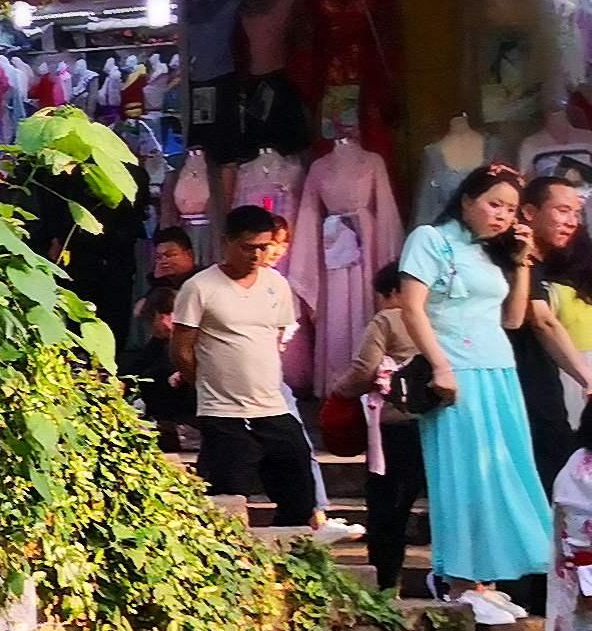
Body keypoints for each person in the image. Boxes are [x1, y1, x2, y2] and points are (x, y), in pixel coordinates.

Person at [386, 164, 592, 624]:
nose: (501, 215)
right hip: (457, 372)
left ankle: (488, 583)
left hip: (500, 371)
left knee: (504, 475)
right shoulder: (430, 239)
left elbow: (514, 320)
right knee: (463, 477)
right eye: (493, 204)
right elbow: (412, 308)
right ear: (466, 200)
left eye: (511, 209)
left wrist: (520, 262)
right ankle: (460, 581)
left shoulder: (490, 254)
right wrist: (439, 365)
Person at [169, 206, 315, 528]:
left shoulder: (276, 284)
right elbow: (181, 347)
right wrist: (206, 382)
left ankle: (293, 558)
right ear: (227, 242)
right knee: (225, 499)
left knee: (299, 488)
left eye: (264, 247)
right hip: (223, 412)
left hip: (272, 406)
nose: (257, 254)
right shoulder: (199, 287)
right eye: (248, 247)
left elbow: (277, 337)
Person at [337, 269, 430, 597]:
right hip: (435, 421)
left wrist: (339, 391)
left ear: (392, 292)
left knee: (387, 503)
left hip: (395, 421)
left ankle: (386, 579)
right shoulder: (439, 318)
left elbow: (365, 369)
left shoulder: (388, 319)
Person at [520, 169, 592, 496]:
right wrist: (587, 377)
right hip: (521, 386)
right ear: (529, 212)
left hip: (546, 384)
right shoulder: (518, 261)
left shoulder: (550, 265)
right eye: (562, 210)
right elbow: (542, 321)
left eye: (576, 213)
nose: (572, 221)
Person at [121, 228, 202, 444]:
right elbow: (143, 313)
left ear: (189, 255)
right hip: (167, 350)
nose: (164, 261)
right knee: (141, 372)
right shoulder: (161, 287)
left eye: (170, 255)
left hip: (198, 356)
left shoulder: (201, 285)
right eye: (159, 257)